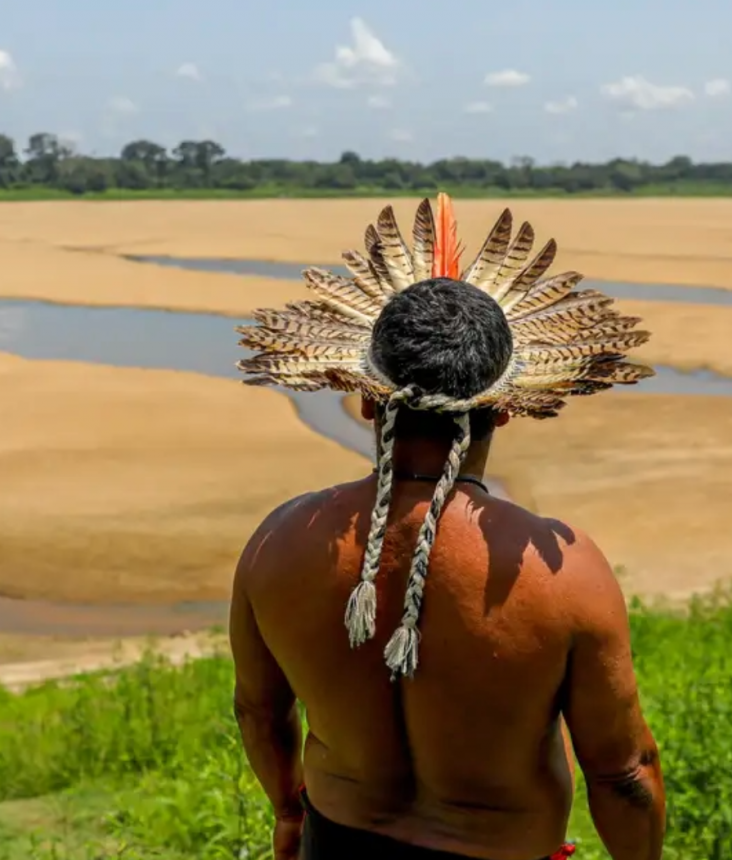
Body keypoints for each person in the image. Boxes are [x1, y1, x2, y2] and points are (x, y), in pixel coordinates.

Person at [230, 195, 666, 860]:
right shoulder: (564, 575)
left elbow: (260, 713)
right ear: (509, 409)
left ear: (368, 401)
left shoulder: (280, 542)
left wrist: (289, 812)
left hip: (337, 841)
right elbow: (624, 770)